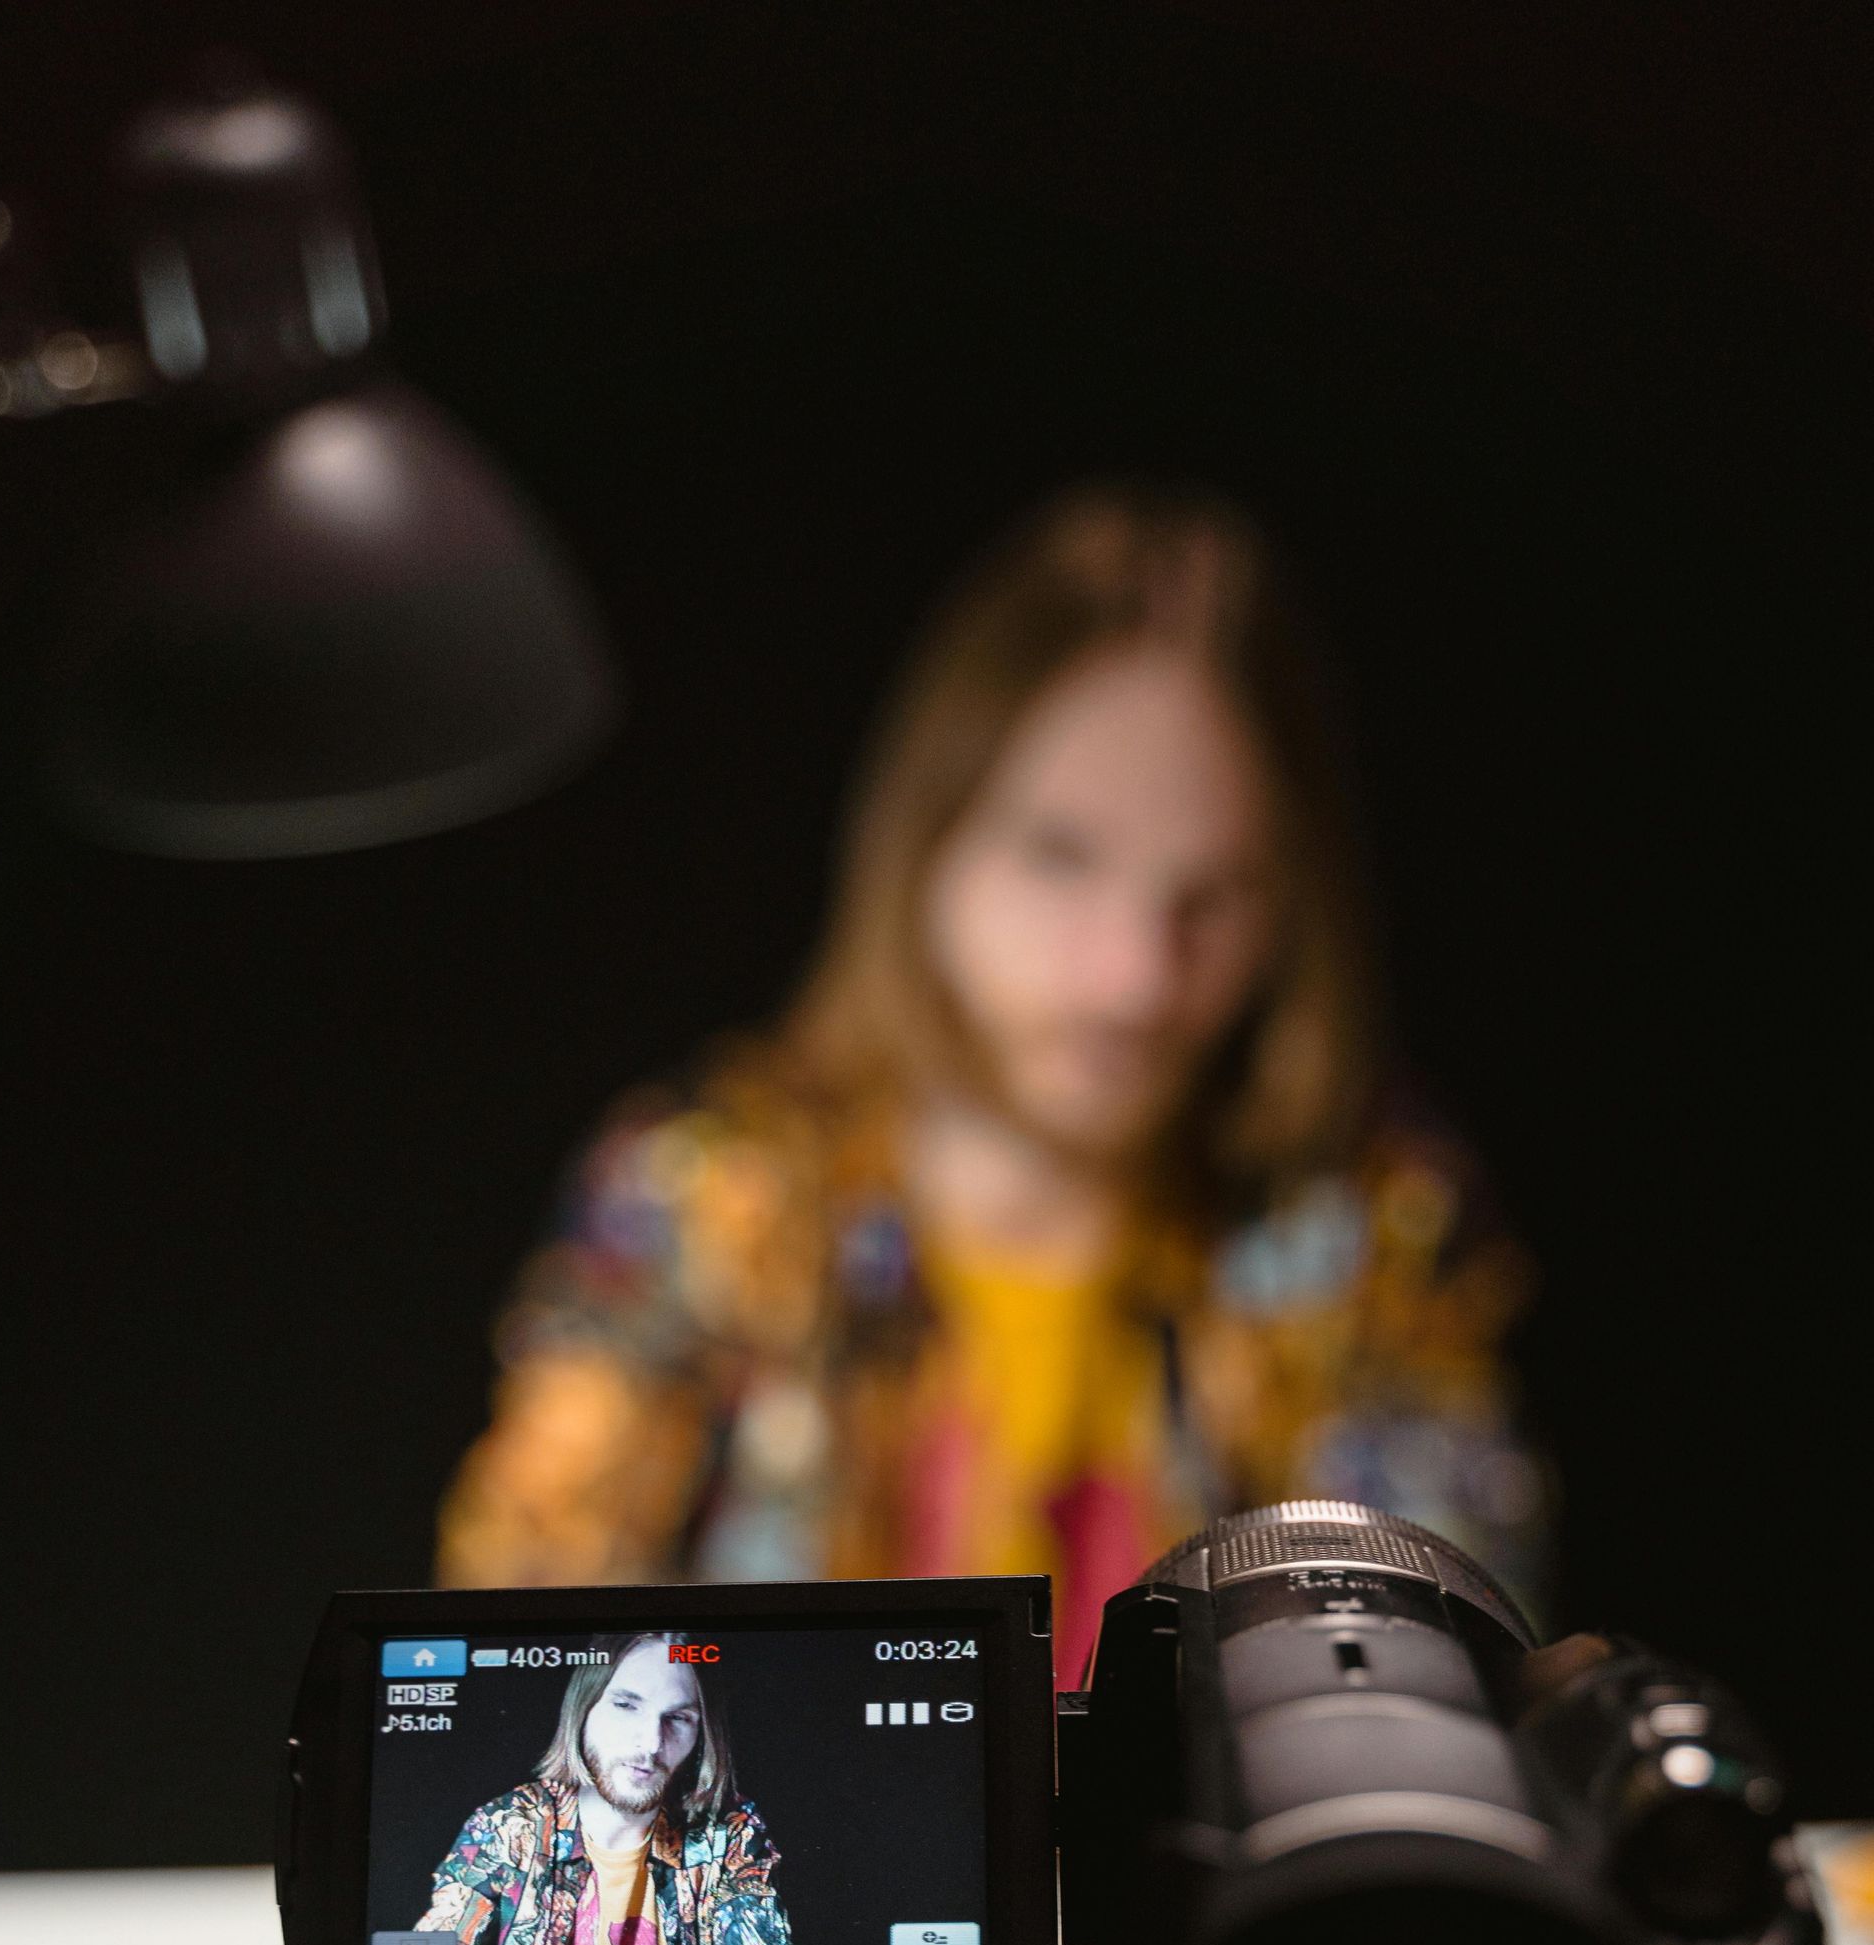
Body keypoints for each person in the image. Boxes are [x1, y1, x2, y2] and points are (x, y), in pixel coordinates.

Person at [436, 486, 1543, 1669]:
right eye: (1059, 855)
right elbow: (515, 1651)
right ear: (927, 843)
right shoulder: (703, 1195)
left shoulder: (1363, 1220)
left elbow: (1450, 1671)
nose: (1134, 977)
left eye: (1216, 894)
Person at [399, 1635, 791, 1945]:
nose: (651, 1743)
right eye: (626, 1705)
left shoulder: (730, 1832)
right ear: (583, 1711)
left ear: (701, 1735)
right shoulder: (512, 1822)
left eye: (678, 1718)